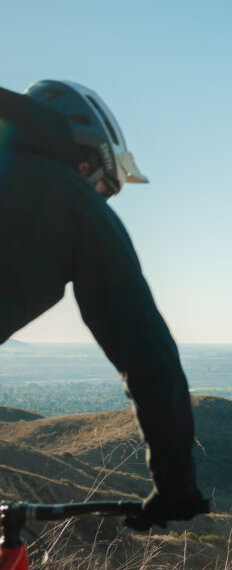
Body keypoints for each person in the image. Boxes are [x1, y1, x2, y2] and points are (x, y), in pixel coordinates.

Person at [0, 79, 207, 529]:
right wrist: (175, 486)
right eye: (106, 188)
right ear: (87, 160)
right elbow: (147, 354)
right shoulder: (71, 198)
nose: (104, 199)